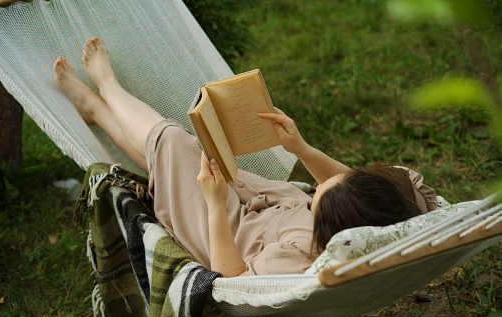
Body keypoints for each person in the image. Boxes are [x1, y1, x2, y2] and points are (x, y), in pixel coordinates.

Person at [54, 37, 437, 278]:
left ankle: (106, 90)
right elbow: (355, 190)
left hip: (225, 231)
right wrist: (300, 148)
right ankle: (98, 111)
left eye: (319, 196)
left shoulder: (299, 258)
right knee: (190, 151)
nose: (325, 181)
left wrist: (215, 205)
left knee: (173, 141)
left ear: (332, 231)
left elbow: (231, 278)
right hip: (266, 202)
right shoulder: (398, 213)